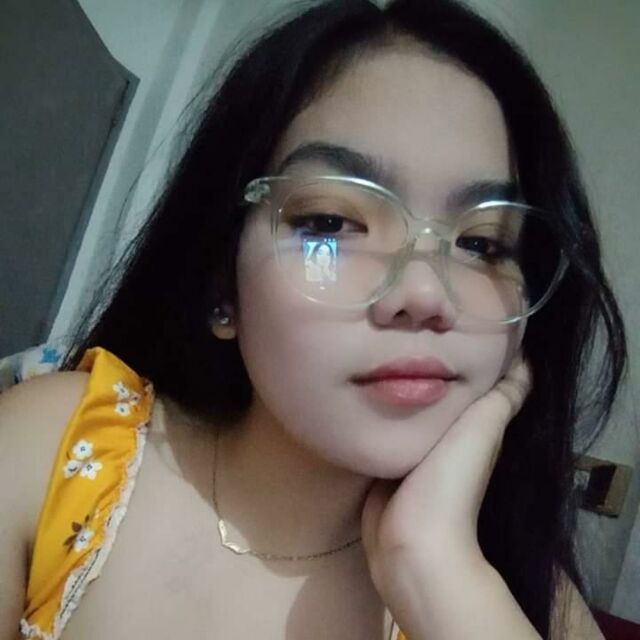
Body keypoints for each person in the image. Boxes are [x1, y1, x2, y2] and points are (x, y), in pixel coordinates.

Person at [0, 0, 628, 638]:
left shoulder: (527, 600)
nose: (424, 292)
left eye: (483, 243)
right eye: (330, 222)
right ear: (221, 281)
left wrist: (435, 569)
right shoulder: (51, 451)